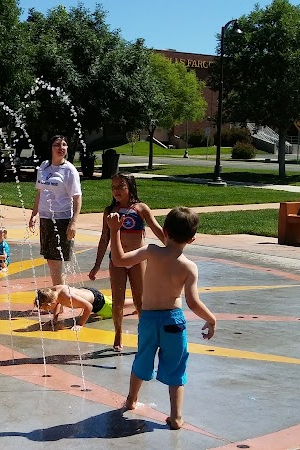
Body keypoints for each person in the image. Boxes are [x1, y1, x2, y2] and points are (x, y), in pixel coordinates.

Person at [107, 207, 217, 430]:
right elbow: (193, 302)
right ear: (192, 239)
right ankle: (176, 417)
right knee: (176, 367)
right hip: (173, 321)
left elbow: (118, 260)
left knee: (142, 359)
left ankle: (131, 400)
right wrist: (211, 319)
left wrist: (114, 231)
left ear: (164, 231)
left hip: (148, 319)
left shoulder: (151, 251)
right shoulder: (189, 267)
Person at [89, 172, 165, 352]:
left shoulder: (141, 209)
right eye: (113, 187)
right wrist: (97, 264)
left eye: (120, 186)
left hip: (137, 259)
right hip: (117, 260)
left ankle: (145, 334)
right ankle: (118, 333)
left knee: (140, 301)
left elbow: (157, 229)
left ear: (130, 187)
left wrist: (172, 247)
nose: (116, 190)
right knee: (118, 299)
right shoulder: (109, 211)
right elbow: (104, 238)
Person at [28, 135, 81, 285]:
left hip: (62, 219)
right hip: (46, 218)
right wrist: (34, 214)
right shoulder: (44, 166)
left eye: (64, 145)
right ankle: (60, 299)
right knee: (52, 262)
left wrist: (73, 222)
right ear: (50, 148)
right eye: (57, 145)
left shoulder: (69, 171)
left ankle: (59, 302)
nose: (61, 148)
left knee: (56, 263)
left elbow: (77, 198)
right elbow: (40, 192)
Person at [34, 284, 131, 331]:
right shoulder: (53, 292)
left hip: (96, 302)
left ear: (51, 303)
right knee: (111, 301)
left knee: (117, 307)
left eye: (45, 308)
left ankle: (139, 302)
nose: (45, 310)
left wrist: (80, 324)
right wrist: (55, 319)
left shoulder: (67, 297)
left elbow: (88, 307)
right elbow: (57, 303)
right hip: (88, 292)